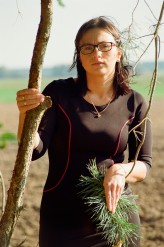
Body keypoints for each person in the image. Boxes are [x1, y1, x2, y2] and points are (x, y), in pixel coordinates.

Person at [16, 16, 152, 247]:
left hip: (115, 216)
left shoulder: (135, 103)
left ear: (118, 52)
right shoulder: (59, 93)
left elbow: (144, 165)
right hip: (62, 219)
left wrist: (120, 170)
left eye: (105, 46)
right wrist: (25, 114)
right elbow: (33, 151)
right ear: (79, 55)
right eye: (87, 48)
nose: (96, 54)